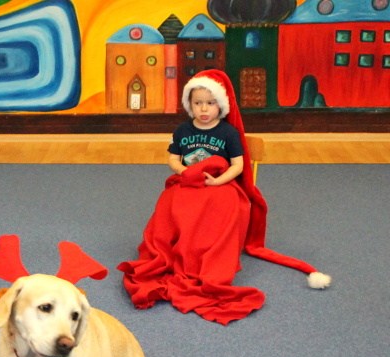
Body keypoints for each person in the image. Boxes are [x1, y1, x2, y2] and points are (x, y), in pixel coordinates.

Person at [118, 69, 331, 325]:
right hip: (190, 182)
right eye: (198, 103)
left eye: (210, 103)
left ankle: (205, 256)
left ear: (220, 105)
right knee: (169, 203)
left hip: (220, 183)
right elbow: (173, 159)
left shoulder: (228, 133)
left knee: (224, 206)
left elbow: (238, 165)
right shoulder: (183, 130)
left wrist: (218, 181)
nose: (204, 109)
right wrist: (185, 172)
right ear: (189, 104)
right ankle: (176, 251)